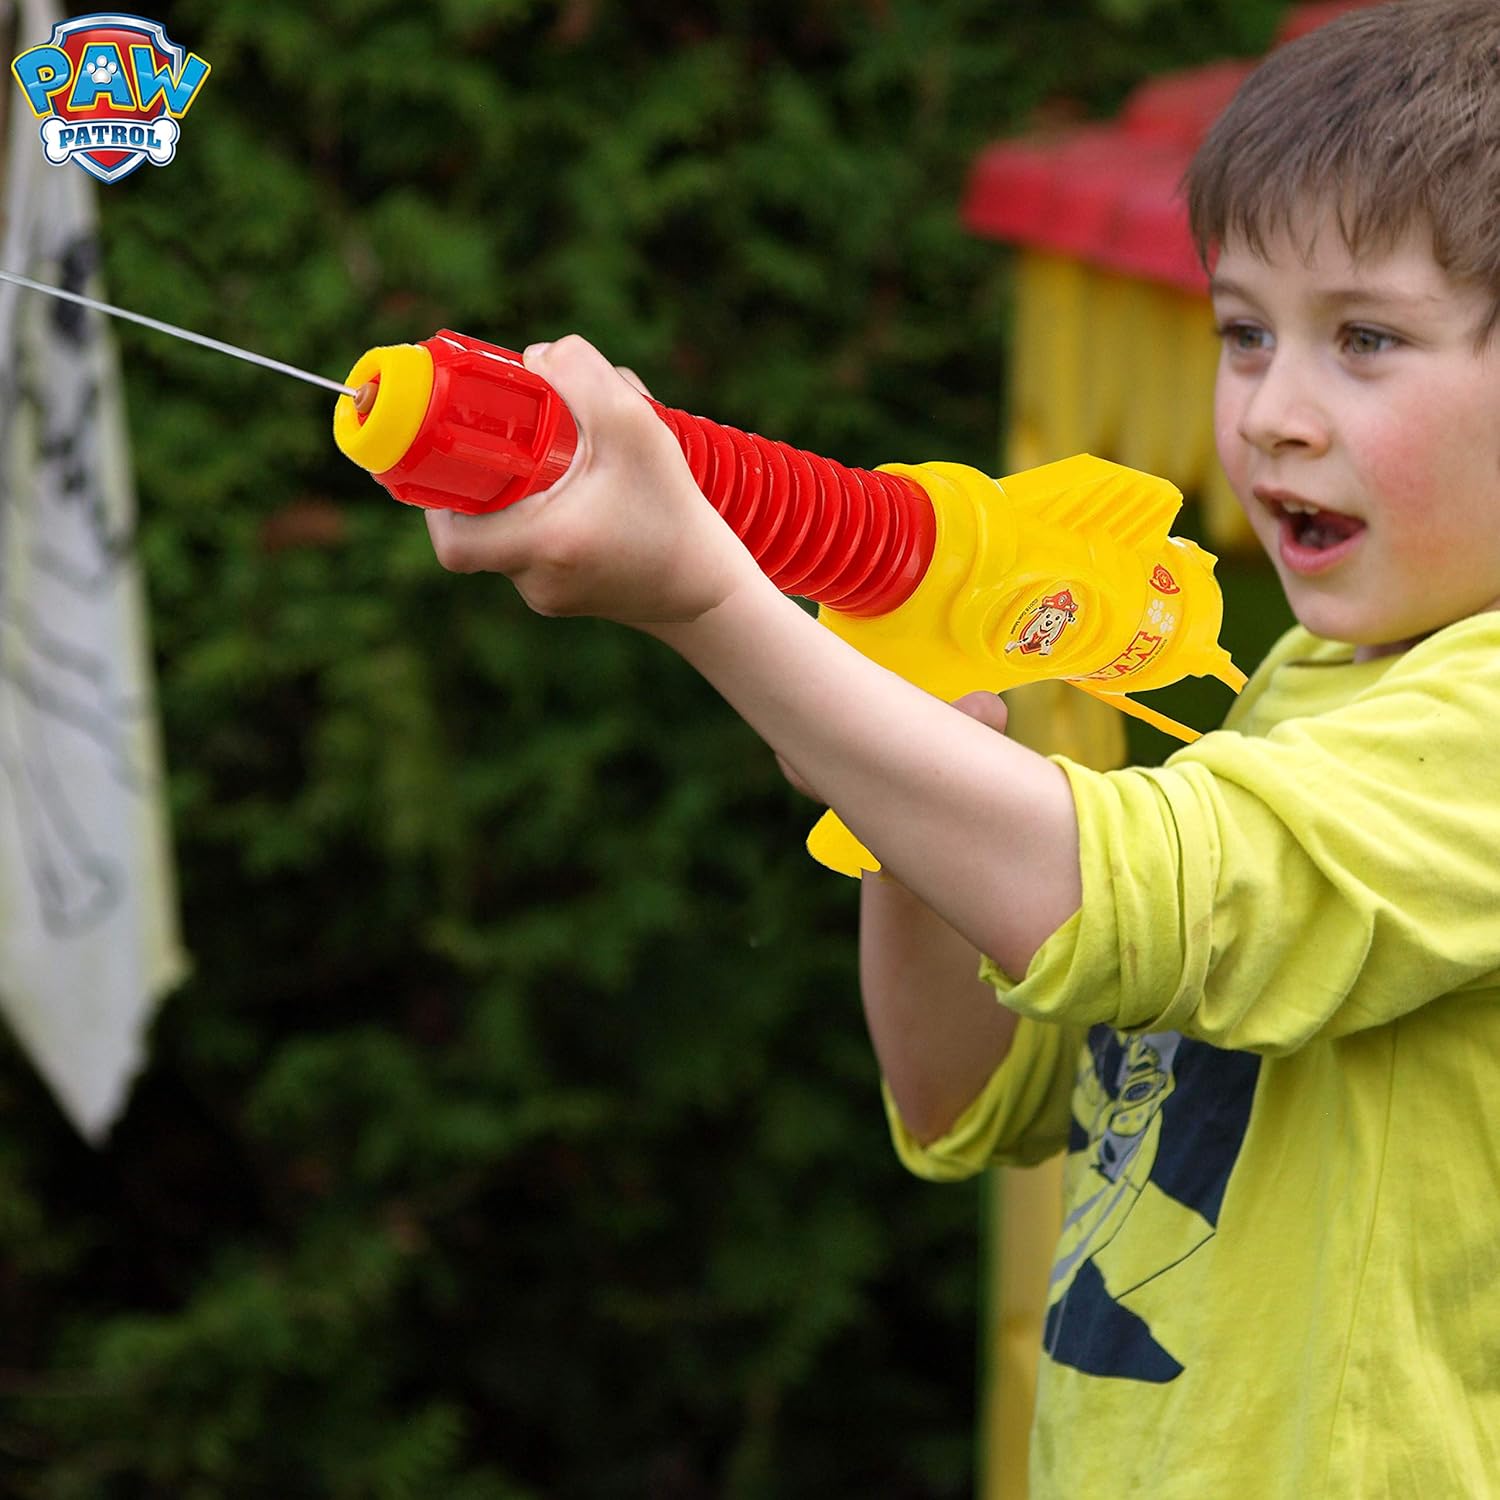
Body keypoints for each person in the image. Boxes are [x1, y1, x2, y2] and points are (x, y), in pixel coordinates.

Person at [422, 1, 1500, 1491]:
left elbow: (1134, 900)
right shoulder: (1314, 693)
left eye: (1365, 339)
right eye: (1245, 333)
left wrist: (710, 604)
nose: (1273, 416)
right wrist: (907, 758)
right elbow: (969, 1096)